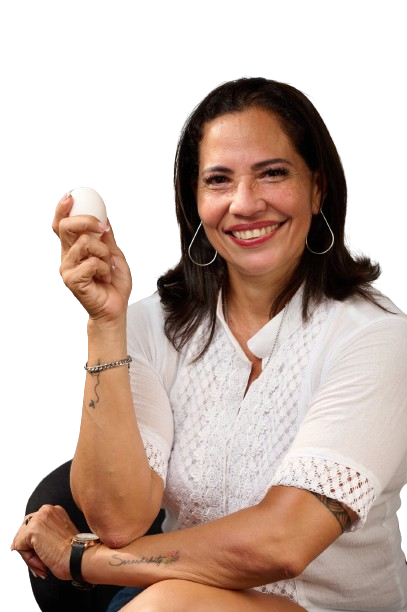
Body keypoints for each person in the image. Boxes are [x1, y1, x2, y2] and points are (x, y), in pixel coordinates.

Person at [11, 77, 407, 612]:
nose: (245, 203)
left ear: (318, 188)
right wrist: (105, 324)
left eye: (272, 173)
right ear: (195, 201)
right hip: (168, 594)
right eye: (218, 180)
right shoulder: (150, 323)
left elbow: (284, 543)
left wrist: (84, 559)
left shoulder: (375, 335)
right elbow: (118, 520)